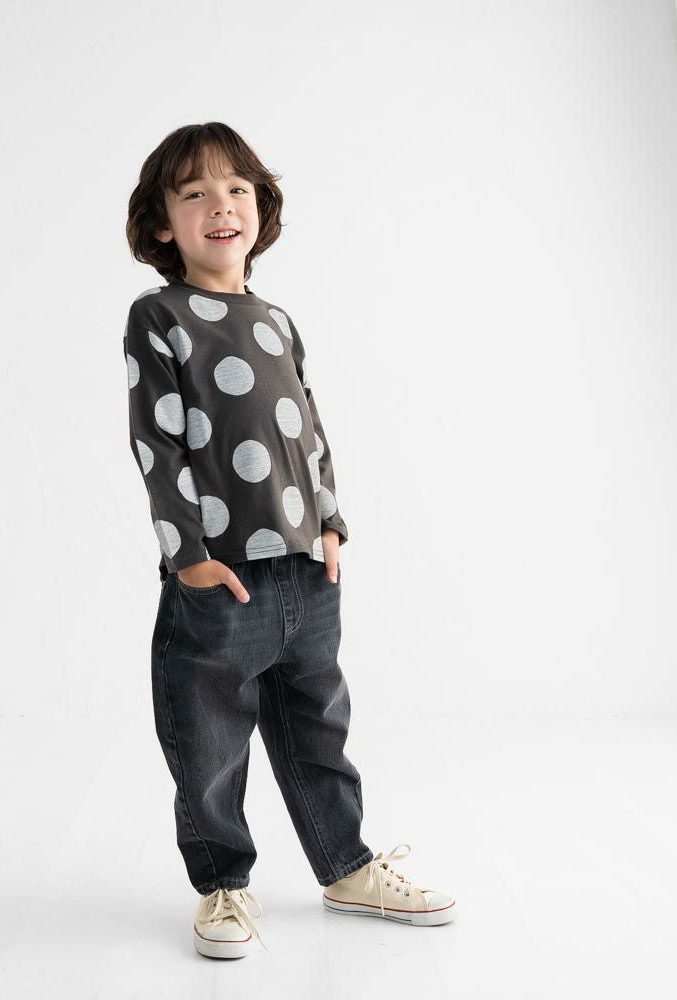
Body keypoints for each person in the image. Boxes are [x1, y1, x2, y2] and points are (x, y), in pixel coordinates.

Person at [123, 122, 456, 959]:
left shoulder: (276, 320)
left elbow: (307, 428)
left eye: (236, 189)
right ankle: (224, 886)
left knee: (318, 725)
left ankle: (346, 866)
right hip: (221, 576)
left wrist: (331, 523)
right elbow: (158, 444)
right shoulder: (159, 316)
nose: (220, 206)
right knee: (208, 738)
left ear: (260, 208)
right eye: (194, 193)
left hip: (307, 568)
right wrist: (190, 556)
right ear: (163, 223)